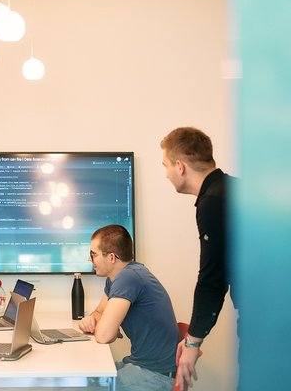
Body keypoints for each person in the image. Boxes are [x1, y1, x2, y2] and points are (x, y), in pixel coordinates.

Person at [160, 127, 236, 390]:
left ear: (180, 167)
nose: (166, 174)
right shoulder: (229, 189)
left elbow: (212, 279)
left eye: (166, 166)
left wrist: (193, 342)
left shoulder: (213, 200)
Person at [79, 225, 179, 391]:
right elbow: (99, 312)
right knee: (77, 379)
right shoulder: (116, 278)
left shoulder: (129, 277)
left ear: (111, 257)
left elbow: (104, 336)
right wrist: (91, 320)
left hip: (156, 375)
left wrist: (104, 325)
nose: (90, 259)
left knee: (75, 386)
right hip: (140, 365)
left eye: (93, 254)